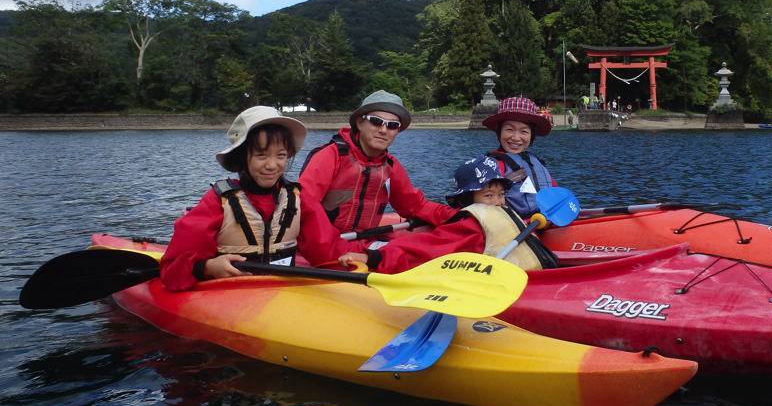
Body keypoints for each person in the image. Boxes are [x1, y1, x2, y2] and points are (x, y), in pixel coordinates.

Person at [160, 106, 365, 292]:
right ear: (242, 157)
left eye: (281, 155)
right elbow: (171, 271)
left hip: (282, 292)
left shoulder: (298, 199)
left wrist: (374, 256)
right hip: (229, 294)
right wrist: (207, 267)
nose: (272, 165)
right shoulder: (218, 202)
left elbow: (329, 250)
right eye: (261, 155)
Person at [338, 156, 556, 272]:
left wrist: (374, 256)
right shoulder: (473, 223)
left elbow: (426, 251)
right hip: (530, 276)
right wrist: (375, 256)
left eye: (500, 194)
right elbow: (426, 250)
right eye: (488, 196)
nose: (498, 203)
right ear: (465, 202)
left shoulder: (492, 218)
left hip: (520, 282)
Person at [297, 90, 455, 235]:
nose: (384, 130)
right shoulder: (330, 156)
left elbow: (415, 206)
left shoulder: (390, 166)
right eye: (376, 122)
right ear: (359, 123)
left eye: (393, 125)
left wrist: (461, 215)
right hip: (322, 243)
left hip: (361, 242)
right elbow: (302, 207)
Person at [481, 96, 557, 219]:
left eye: (524, 132)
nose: (516, 138)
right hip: (513, 226)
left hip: (542, 222)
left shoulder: (535, 162)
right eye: (509, 129)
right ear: (498, 129)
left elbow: (554, 193)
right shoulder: (492, 165)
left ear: (533, 133)